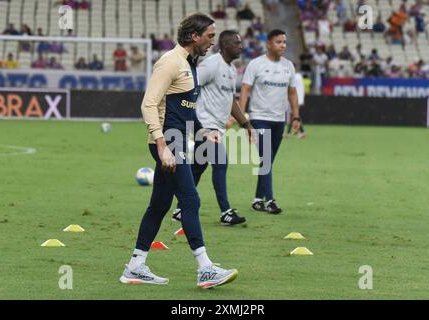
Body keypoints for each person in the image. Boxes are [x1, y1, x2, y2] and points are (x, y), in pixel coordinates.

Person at [120, 13, 239, 289]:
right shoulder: (169, 62)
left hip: (176, 141)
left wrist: (202, 133)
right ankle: (205, 268)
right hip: (167, 143)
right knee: (190, 198)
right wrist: (163, 147)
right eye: (210, 36)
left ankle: (136, 265)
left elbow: (185, 111)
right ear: (194, 36)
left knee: (160, 205)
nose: (213, 42)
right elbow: (148, 105)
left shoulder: (190, 64)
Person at [171, 30, 255, 226]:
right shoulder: (212, 64)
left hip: (216, 127)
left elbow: (231, 101)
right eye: (236, 43)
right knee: (221, 161)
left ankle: (180, 209)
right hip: (204, 126)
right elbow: (190, 85)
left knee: (198, 168)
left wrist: (246, 124)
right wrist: (189, 115)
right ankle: (226, 211)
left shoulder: (232, 70)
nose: (241, 46)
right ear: (225, 46)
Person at [239, 29, 301, 214]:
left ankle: (258, 199)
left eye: (284, 42)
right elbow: (245, 91)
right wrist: (242, 119)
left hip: (278, 120)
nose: (282, 45)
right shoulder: (256, 64)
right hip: (259, 119)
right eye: (278, 42)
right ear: (268, 44)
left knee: (268, 161)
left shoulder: (288, 66)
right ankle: (270, 201)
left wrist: (296, 116)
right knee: (266, 159)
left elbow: (292, 92)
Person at [285, 71, 305, 139]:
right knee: (293, 115)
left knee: (295, 115)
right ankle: (289, 133)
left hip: (296, 99)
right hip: (298, 98)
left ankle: (301, 132)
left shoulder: (296, 77)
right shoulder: (299, 76)